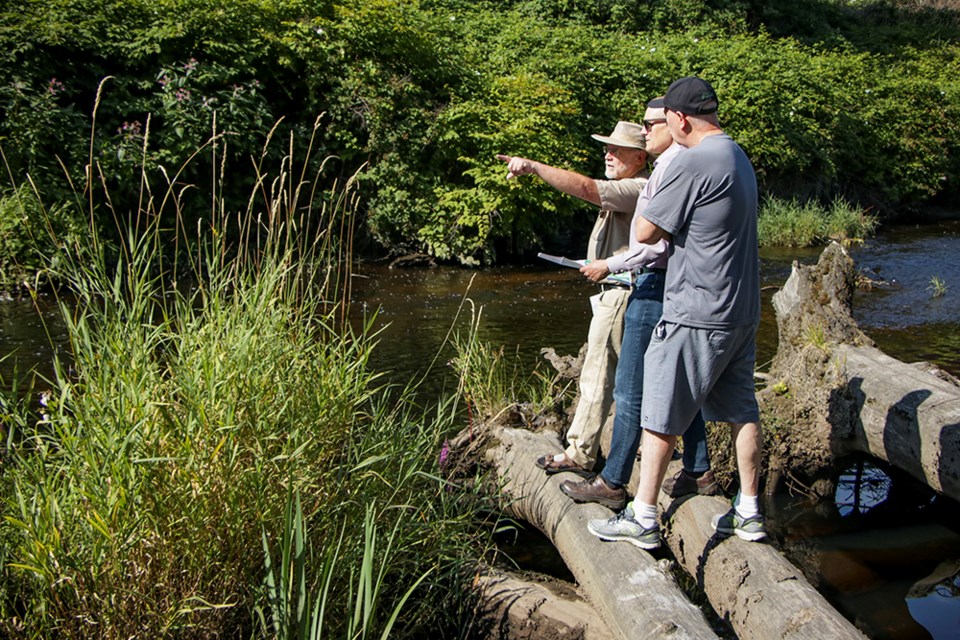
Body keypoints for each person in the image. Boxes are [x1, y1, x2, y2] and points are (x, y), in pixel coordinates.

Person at [587, 77, 766, 549]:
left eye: (663, 121)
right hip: (741, 309)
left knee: (660, 413)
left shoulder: (692, 160)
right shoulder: (738, 156)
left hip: (696, 310)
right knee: (743, 409)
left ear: (681, 119)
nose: (659, 130)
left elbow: (645, 231)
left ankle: (642, 517)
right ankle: (749, 510)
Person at [557, 97, 718, 510]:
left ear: (673, 124)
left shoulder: (667, 172)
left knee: (631, 389)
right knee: (675, 383)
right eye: (644, 125)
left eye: (653, 124)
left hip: (652, 286)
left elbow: (653, 243)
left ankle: (612, 482)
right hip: (670, 286)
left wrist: (610, 264)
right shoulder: (686, 165)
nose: (647, 131)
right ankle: (699, 469)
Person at [496, 122, 647, 476]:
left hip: (621, 295)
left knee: (597, 376)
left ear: (640, 157)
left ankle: (579, 455)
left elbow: (586, 188)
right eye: (607, 148)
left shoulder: (638, 187)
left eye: (618, 150)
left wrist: (533, 166)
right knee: (621, 380)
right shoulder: (637, 184)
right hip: (620, 291)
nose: (608, 154)